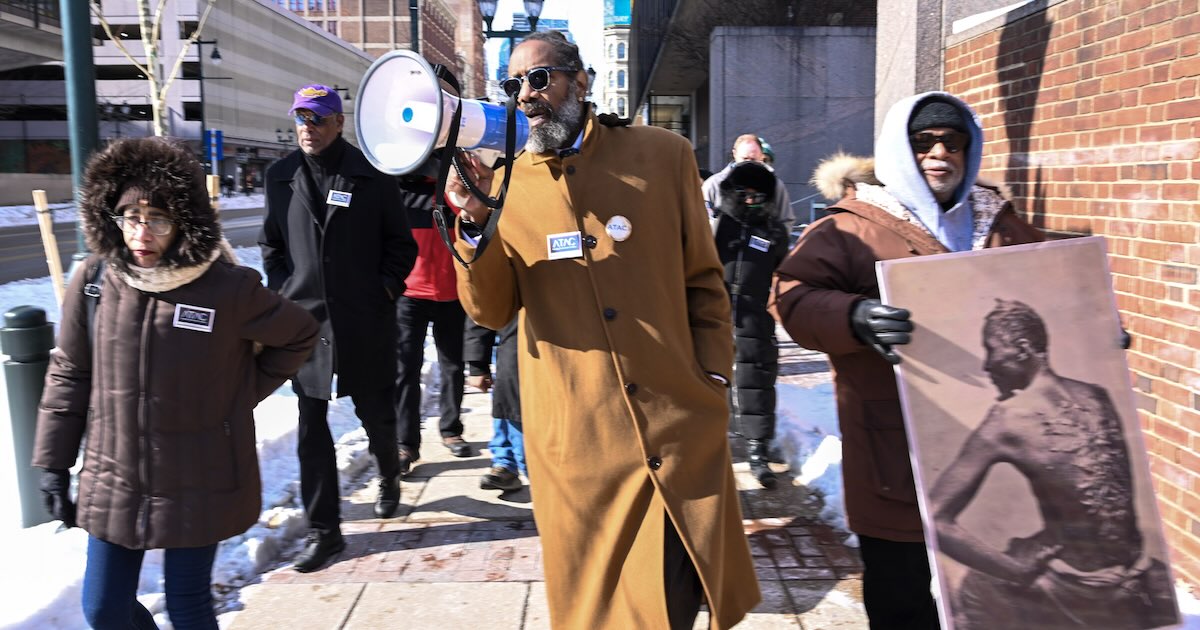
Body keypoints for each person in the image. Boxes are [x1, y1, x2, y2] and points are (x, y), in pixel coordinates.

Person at [444, 30, 759, 630]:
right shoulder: (506, 181)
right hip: (578, 442)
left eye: (540, 78)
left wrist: (714, 375)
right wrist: (475, 222)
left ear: (580, 80)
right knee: (600, 610)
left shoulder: (664, 156)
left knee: (678, 595)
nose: (527, 96)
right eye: (514, 86)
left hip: (676, 424)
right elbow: (490, 310)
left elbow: (704, 280)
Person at [770, 91, 1045, 629]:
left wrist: (1092, 331)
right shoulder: (848, 226)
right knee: (903, 599)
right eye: (924, 142)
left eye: (953, 140)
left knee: (995, 594)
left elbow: (1052, 289)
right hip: (896, 449)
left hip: (996, 449)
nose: (940, 152)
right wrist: (853, 315)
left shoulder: (1002, 223)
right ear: (900, 150)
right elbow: (791, 294)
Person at [33, 137, 319, 629]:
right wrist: (53, 465)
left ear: (182, 222)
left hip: (199, 473)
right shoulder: (96, 279)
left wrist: (238, 393)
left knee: (188, 606)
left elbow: (299, 335)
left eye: (158, 219)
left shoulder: (226, 288)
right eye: (131, 217)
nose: (142, 233)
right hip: (114, 472)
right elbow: (70, 371)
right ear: (112, 216)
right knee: (103, 608)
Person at [930, 299, 1176, 630]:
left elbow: (934, 518)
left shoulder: (1008, 419)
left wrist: (1015, 571)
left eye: (991, 349)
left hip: (1081, 587)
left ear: (1022, 348)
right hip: (1132, 567)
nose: (987, 365)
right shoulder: (1096, 396)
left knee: (974, 592)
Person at [259, 83, 418, 572]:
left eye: (317, 119)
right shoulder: (280, 175)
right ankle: (324, 532)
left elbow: (402, 247)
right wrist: (288, 295)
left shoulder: (371, 174)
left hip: (364, 320)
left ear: (338, 123)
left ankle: (389, 472)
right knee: (312, 429)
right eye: (301, 119)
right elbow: (272, 248)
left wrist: (382, 292)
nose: (307, 128)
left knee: (377, 415)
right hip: (306, 326)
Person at [709, 160, 791, 489]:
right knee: (709, 385)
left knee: (756, 382)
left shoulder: (774, 231)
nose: (749, 199)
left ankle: (758, 452)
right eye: (743, 193)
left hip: (755, 316)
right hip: (714, 314)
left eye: (758, 195)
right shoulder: (717, 225)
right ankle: (711, 454)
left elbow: (787, 274)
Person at [394, 158, 472, 475]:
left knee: (453, 365)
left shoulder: (456, 188)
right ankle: (405, 443)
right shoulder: (398, 191)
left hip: (452, 292)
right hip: (409, 294)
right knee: (405, 370)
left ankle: (451, 430)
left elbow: (472, 230)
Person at [464, 317, 525, 492]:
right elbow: (480, 307)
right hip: (508, 338)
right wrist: (477, 365)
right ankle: (504, 462)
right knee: (507, 400)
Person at [702, 133, 792, 229]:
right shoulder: (713, 185)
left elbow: (786, 220)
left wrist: (775, 241)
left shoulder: (775, 186)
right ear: (734, 154)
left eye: (753, 159)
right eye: (744, 158)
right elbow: (702, 222)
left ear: (762, 157)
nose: (748, 163)